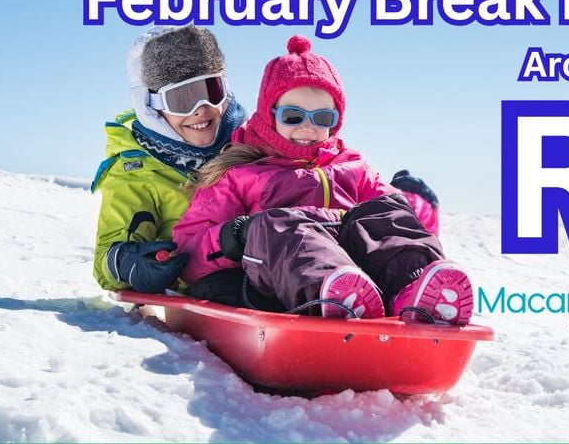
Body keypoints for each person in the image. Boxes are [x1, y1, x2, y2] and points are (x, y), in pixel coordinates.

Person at [173, 35, 473, 324]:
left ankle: (415, 291)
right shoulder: (240, 173)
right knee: (277, 225)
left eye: (323, 119)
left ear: (336, 121)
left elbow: (395, 228)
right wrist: (234, 237)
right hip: (279, 284)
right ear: (269, 114)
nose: (308, 127)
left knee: (385, 209)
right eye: (293, 116)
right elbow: (190, 253)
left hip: (364, 277)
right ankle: (335, 295)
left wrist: (410, 205)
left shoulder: (354, 167)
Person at [91, 25, 246, 293]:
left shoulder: (249, 148)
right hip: (207, 284)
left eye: (211, 91)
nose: (201, 110)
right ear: (151, 106)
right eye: (182, 99)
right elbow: (108, 254)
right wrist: (129, 262)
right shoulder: (137, 172)